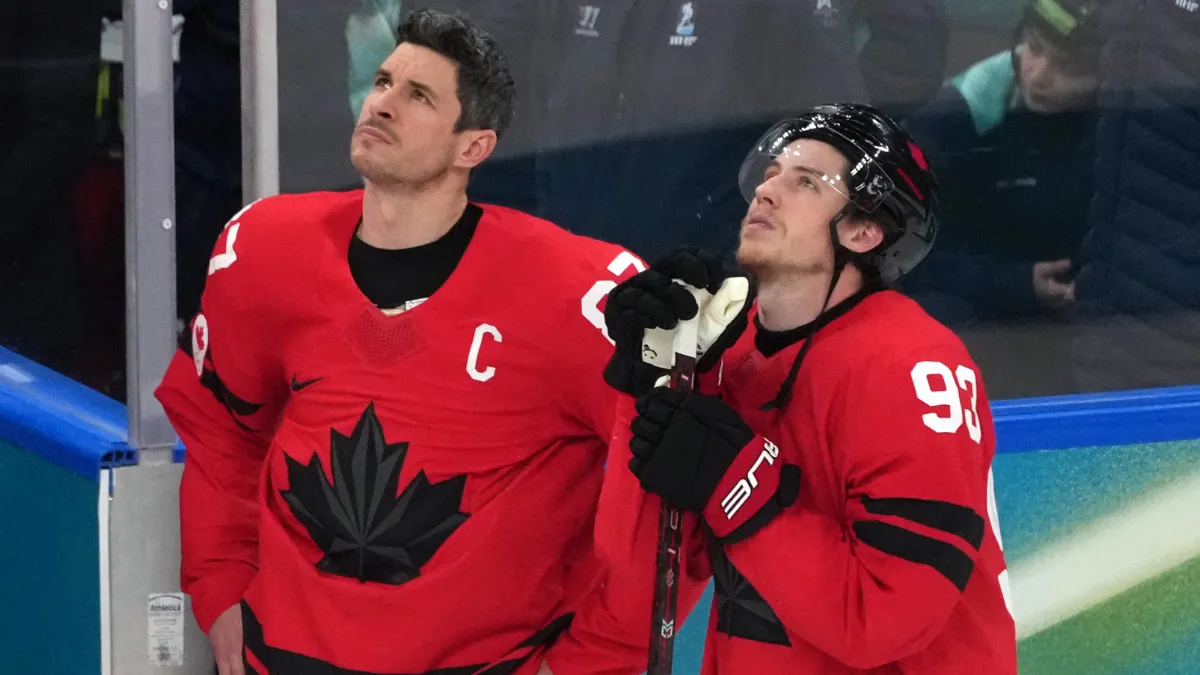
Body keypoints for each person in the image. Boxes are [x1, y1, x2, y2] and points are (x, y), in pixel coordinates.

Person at [155, 9, 677, 675]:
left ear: (473, 147)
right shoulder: (265, 248)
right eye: (381, 81)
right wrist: (221, 581)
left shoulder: (578, 297)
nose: (382, 103)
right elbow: (222, 432)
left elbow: (663, 498)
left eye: (418, 95)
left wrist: (589, 662)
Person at [591, 103, 1017, 674]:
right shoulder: (731, 348)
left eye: (807, 183)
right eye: (771, 174)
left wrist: (736, 484)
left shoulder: (914, 365)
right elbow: (645, 585)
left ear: (864, 232)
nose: (766, 191)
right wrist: (646, 386)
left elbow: (884, 622)